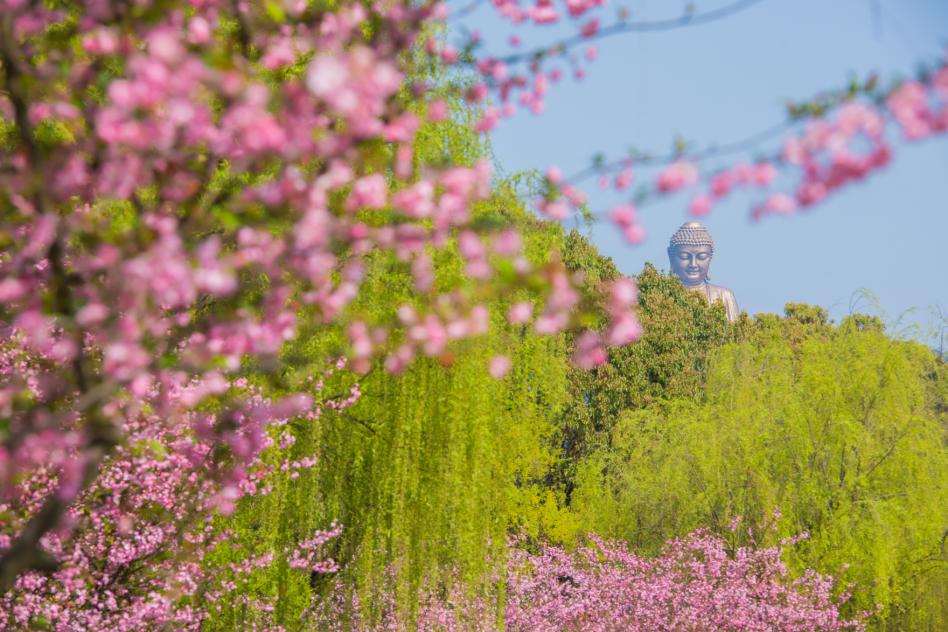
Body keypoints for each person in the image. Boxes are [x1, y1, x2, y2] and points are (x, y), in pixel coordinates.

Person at [667, 221, 739, 322]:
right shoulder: (661, 296)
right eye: (684, 257)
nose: (693, 264)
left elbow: (736, 335)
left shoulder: (724, 296)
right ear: (671, 257)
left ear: (709, 258)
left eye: (701, 257)